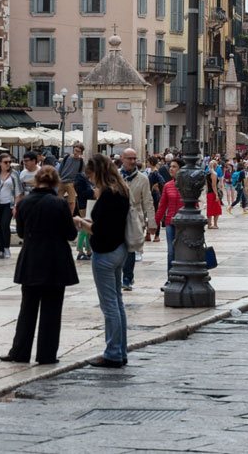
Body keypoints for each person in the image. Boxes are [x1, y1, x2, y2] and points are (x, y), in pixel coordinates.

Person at [0, 166, 78, 365]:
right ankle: (46, 354)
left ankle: (20, 351)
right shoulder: (59, 204)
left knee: (27, 308)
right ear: (54, 182)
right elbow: (71, 234)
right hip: (55, 261)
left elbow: (21, 233)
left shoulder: (25, 203)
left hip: (31, 259)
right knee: (52, 310)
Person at [73, 154, 131, 368]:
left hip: (105, 252)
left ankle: (113, 353)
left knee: (109, 306)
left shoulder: (108, 194)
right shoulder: (122, 190)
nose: (90, 179)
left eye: (90, 174)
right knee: (117, 302)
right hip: (120, 249)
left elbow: (101, 229)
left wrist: (81, 222)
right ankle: (121, 350)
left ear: (98, 171)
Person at [119, 148, 156, 291]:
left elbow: (148, 201)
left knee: (130, 248)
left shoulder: (143, 178)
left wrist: (151, 222)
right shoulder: (115, 176)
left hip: (134, 217)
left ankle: (127, 278)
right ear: (122, 158)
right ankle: (120, 275)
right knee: (117, 248)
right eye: (130, 158)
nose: (133, 161)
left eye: (135, 158)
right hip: (117, 217)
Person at [155, 158, 182, 285]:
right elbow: (162, 205)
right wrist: (154, 223)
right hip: (170, 222)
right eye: (170, 166)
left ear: (181, 169)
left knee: (183, 251)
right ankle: (171, 278)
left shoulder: (187, 185)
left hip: (184, 224)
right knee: (171, 251)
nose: (171, 169)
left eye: (174, 166)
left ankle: (182, 275)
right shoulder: (167, 185)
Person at [57, 142, 86, 214]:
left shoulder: (81, 162)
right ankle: (57, 216)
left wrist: (75, 182)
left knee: (72, 202)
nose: (76, 152)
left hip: (71, 183)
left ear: (81, 153)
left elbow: (82, 174)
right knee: (57, 201)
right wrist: (58, 178)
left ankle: (70, 218)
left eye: (78, 151)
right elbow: (60, 169)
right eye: (75, 150)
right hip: (62, 181)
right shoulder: (67, 158)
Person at [73, 170, 94, 261]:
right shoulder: (81, 179)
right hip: (84, 205)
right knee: (84, 229)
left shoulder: (87, 179)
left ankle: (89, 251)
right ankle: (80, 251)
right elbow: (82, 193)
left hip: (89, 205)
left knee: (87, 230)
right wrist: (93, 192)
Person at [146, 155, 165, 241]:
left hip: (154, 196)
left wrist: (155, 186)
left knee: (154, 215)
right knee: (151, 214)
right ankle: (149, 234)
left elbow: (162, 182)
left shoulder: (155, 172)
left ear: (151, 163)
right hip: (152, 195)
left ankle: (155, 235)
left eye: (148, 162)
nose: (147, 163)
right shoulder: (152, 172)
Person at [205, 160, 222, 230]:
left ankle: (209, 224)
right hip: (213, 193)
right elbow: (214, 185)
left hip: (209, 193)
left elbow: (207, 185)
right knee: (217, 209)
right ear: (215, 166)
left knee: (209, 209)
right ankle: (215, 224)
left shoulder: (207, 173)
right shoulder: (214, 174)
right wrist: (217, 195)